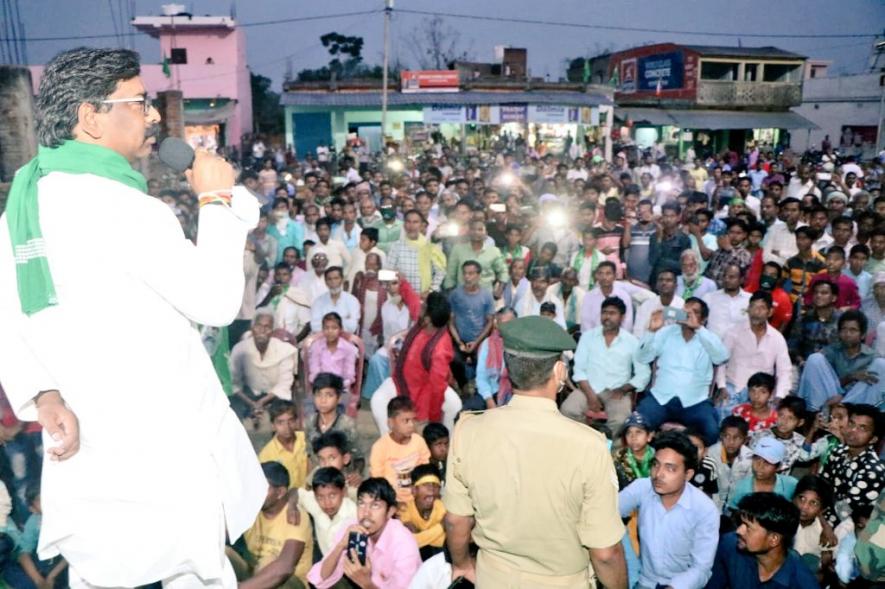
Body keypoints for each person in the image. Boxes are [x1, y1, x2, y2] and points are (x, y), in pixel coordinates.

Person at [0, 47, 267, 587]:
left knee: (103, 573)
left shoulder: (23, 206)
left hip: (91, 448)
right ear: (90, 116)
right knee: (194, 572)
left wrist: (43, 396)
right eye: (140, 102)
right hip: (163, 446)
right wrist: (215, 200)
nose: (152, 117)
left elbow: (7, 317)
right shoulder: (126, 209)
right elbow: (216, 301)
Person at [444, 316, 627, 588]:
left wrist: (461, 565)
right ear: (559, 372)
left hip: (493, 578)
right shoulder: (590, 445)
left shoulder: (469, 430)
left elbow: (456, 521)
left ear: (509, 367)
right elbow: (605, 553)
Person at [618, 431, 720, 589]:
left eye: (670, 469)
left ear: (688, 474)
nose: (658, 474)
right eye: (655, 464)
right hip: (644, 582)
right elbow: (607, 514)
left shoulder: (704, 509)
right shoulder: (642, 487)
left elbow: (701, 568)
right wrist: (631, 567)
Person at [635, 298, 730, 445]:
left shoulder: (708, 338)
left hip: (695, 402)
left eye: (695, 312)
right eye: (685, 311)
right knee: (637, 425)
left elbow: (722, 357)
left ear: (703, 319)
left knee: (711, 431)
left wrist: (698, 328)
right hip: (661, 398)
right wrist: (651, 332)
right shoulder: (665, 333)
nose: (688, 315)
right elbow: (642, 357)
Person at [370, 293, 463, 434]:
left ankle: (444, 444)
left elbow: (437, 388)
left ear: (428, 318)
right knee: (377, 401)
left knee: (454, 405)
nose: (420, 306)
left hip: (424, 390)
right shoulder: (422, 324)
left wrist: (433, 421)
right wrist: (403, 285)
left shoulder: (439, 349)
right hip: (400, 381)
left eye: (424, 306)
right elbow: (412, 300)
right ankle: (390, 444)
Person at [307, 478, 422, 589]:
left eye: (375, 505)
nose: (366, 513)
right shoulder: (352, 527)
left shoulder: (403, 544)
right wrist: (340, 545)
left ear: (390, 512)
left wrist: (366, 583)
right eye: (361, 503)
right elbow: (319, 579)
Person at [563, 297, 650, 435]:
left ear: (622, 317)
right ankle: (587, 439)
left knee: (621, 421)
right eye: (604, 312)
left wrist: (623, 389)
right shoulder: (588, 337)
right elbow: (579, 369)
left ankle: (607, 450)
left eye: (612, 313)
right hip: (588, 388)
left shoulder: (632, 342)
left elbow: (643, 373)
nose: (607, 317)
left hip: (616, 392)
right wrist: (590, 395)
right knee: (567, 410)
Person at [706, 492, 820, 588]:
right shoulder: (730, 545)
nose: (739, 531)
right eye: (741, 524)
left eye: (748, 527)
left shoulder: (801, 582)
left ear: (774, 539)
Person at [232, 462, 313, 589]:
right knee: (225, 553)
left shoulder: (295, 516)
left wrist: (240, 588)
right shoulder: (251, 509)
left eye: (261, 487)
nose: (254, 492)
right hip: (255, 574)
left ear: (280, 492)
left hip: (289, 582)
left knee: (268, 562)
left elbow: (285, 567)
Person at [715, 290, 792, 414]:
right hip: (734, 387)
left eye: (761, 308)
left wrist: (779, 396)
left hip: (762, 394)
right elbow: (721, 362)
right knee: (723, 413)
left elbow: (784, 371)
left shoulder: (777, 338)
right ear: (748, 309)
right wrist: (722, 386)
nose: (756, 312)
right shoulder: (733, 332)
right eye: (753, 307)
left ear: (770, 312)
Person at [797, 309, 885, 411]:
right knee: (814, 359)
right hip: (830, 400)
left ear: (863, 335)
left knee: (881, 365)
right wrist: (851, 377)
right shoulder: (831, 352)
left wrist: (844, 399)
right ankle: (816, 413)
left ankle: (850, 410)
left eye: (853, 330)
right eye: (844, 329)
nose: (847, 334)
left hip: (858, 403)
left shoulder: (871, 357)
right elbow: (823, 384)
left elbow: (867, 390)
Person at [230, 309, 298, 430]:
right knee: (233, 410)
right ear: (252, 328)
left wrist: (261, 403)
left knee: (283, 414)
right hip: (247, 397)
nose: (262, 331)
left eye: (267, 327)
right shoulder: (240, 350)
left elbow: (284, 384)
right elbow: (234, 383)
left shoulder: (285, 350)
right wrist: (252, 404)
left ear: (273, 331)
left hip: (274, 396)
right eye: (258, 326)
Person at [820, 404, 885, 521]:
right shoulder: (838, 451)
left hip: (843, 526)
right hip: (819, 512)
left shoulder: (873, 471)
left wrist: (818, 516)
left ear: (873, 439)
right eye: (851, 423)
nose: (853, 430)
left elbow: (844, 510)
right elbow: (820, 485)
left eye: (862, 428)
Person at [369, 397, 431, 505]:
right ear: (391, 423)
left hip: (416, 499)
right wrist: (393, 503)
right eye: (406, 421)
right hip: (391, 500)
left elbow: (425, 473)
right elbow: (378, 482)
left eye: (413, 420)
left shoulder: (419, 442)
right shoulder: (380, 447)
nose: (411, 425)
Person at [447, 261, 495, 392]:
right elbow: (450, 321)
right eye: (465, 274)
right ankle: (462, 387)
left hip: (479, 341)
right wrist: (459, 342)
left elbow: (490, 321)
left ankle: (480, 391)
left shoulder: (486, 295)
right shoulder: (455, 295)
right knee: (454, 360)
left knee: (483, 365)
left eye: (471, 273)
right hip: (459, 340)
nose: (467, 277)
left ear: (478, 275)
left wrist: (477, 342)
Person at [291, 466, 357, 558]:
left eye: (332, 496)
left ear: (343, 492)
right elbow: (295, 492)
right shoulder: (313, 502)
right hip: (324, 562)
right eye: (320, 497)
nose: (327, 503)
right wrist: (291, 507)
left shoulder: (354, 514)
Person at [729, 437, 798, 511]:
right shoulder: (741, 487)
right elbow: (734, 511)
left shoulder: (791, 484)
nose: (760, 466)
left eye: (767, 462)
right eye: (756, 459)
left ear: (778, 467)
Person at [386, 210, 446, 296]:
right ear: (404, 224)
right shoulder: (396, 246)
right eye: (408, 222)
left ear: (421, 225)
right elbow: (386, 272)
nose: (411, 226)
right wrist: (395, 275)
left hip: (426, 298)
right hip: (402, 297)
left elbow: (440, 272)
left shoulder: (431, 246)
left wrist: (429, 291)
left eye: (415, 222)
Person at [304, 373, 359, 461]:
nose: (323, 400)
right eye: (318, 395)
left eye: (329, 395)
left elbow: (357, 456)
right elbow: (309, 455)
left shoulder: (347, 425)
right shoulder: (309, 422)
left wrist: (355, 472)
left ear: (339, 398)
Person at [444, 219, 508, 293]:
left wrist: (499, 290)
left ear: (486, 233)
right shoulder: (458, 249)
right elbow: (450, 275)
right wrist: (451, 293)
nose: (476, 232)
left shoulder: (494, 251)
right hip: (462, 295)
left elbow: (503, 272)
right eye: (473, 229)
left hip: (486, 296)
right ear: (469, 232)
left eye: (480, 229)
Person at [749, 396, 808, 475]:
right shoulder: (760, 435)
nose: (784, 421)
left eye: (790, 418)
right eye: (781, 415)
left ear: (800, 422)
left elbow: (807, 456)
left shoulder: (800, 442)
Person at [258, 400, 308, 491]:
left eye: (291, 421)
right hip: (286, 500)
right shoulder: (266, 455)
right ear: (273, 425)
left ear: (296, 421)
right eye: (280, 422)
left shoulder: (307, 440)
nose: (287, 427)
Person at [399, 464, 446, 560]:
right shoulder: (405, 510)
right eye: (426, 484)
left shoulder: (442, 507)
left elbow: (444, 542)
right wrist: (441, 527)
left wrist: (421, 537)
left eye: (435, 485)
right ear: (414, 490)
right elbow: (410, 542)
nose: (432, 489)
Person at [708, 416, 754, 510]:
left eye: (737, 438)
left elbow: (749, 486)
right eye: (726, 436)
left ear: (745, 440)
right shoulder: (711, 453)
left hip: (738, 505)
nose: (731, 442)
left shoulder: (750, 457)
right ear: (721, 436)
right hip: (714, 504)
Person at [475, 308, 517, 408]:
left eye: (510, 323)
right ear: (496, 325)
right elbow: (481, 377)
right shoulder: (487, 344)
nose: (506, 328)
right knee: (467, 412)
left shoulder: (521, 346)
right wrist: (489, 400)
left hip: (514, 394)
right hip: (490, 391)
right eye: (502, 323)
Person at [307, 312, 358, 392]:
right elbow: (314, 371)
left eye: (334, 328)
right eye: (326, 328)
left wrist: (337, 385)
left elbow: (349, 374)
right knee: (313, 403)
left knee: (337, 402)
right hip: (320, 386)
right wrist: (323, 384)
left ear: (340, 329)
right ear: (322, 330)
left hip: (341, 387)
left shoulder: (349, 348)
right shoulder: (316, 346)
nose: (330, 331)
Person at [579, 261, 635, 333]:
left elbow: (627, 324)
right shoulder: (589, 297)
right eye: (600, 274)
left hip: (618, 339)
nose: (604, 277)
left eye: (608, 273)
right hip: (593, 339)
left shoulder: (624, 296)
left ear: (615, 276)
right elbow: (585, 324)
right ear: (596, 276)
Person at [633, 269, 685, 339]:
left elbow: (683, 319)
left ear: (675, 285)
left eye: (668, 280)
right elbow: (638, 333)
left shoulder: (682, 305)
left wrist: (666, 312)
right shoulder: (646, 305)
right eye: (661, 280)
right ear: (656, 285)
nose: (664, 283)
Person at [309, 267, 360, 334]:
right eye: (329, 279)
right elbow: (315, 327)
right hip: (323, 341)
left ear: (342, 279)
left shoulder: (352, 300)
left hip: (346, 341)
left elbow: (353, 327)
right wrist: (343, 320)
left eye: (336, 278)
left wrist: (326, 323)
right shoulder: (318, 302)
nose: (333, 282)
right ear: (326, 282)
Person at [762, 196, 804, 266]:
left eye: (793, 210)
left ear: (801, 213)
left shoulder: (806, 230)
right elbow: (765, 256)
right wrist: (786, 263)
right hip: (775, 271)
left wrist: (780, 253)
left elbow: (803, 257)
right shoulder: (773, 229)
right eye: (787, 210)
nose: (789, 213)